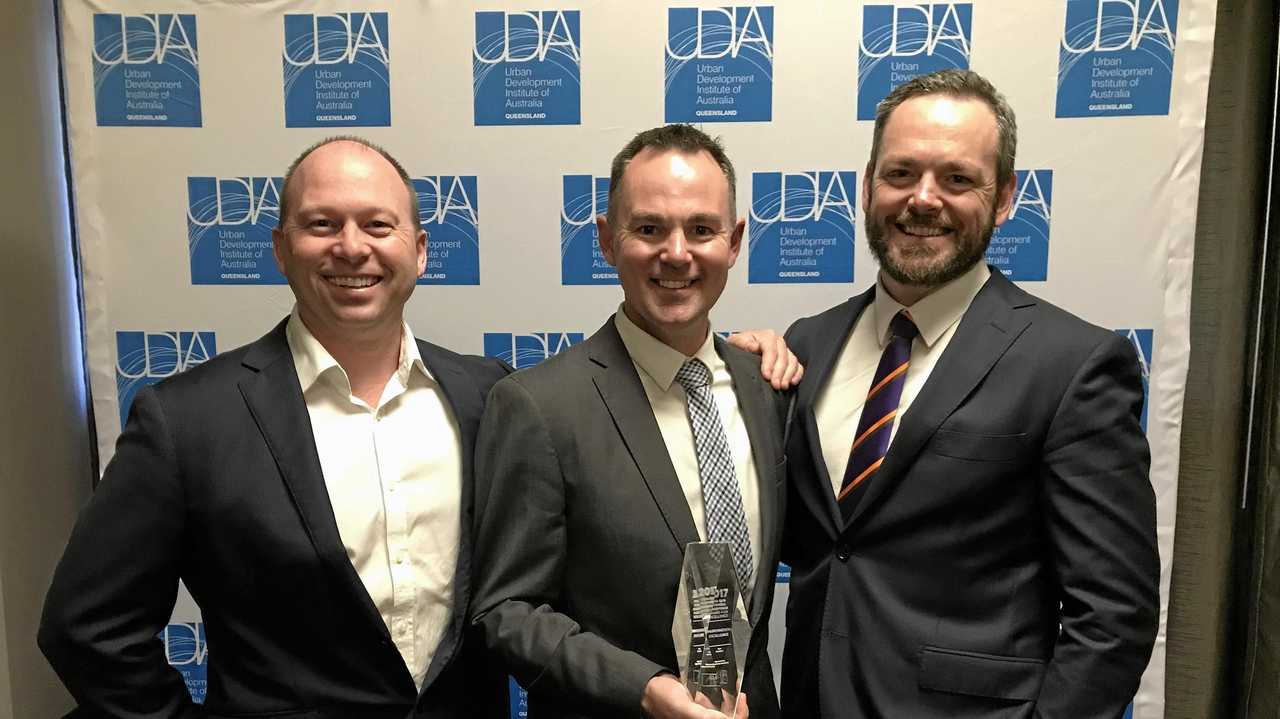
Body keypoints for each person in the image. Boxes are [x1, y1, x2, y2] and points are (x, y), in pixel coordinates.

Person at [39, 137, 512, 718]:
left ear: (418, 251)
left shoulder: (491, 397)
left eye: (378, 225)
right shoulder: (187, 421)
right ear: (281, 250)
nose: (351, 246)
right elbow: (86, 628)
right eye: (321, 223)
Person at [780, 69, 1160, 718]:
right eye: (900, 174)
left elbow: (1114, 614)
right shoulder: (809, 344)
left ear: (1006, 197)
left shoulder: (1073, 364)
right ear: (866, 184)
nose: (922, 199)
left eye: (957, 179)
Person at [469, 124, 789, 719]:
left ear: (735, 240)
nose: (676, 253)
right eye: (648, 229)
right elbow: (507, 612)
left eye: (701, 229)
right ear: (607, 241)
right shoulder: (538, 405)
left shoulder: (766, 388)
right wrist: (645, 690)